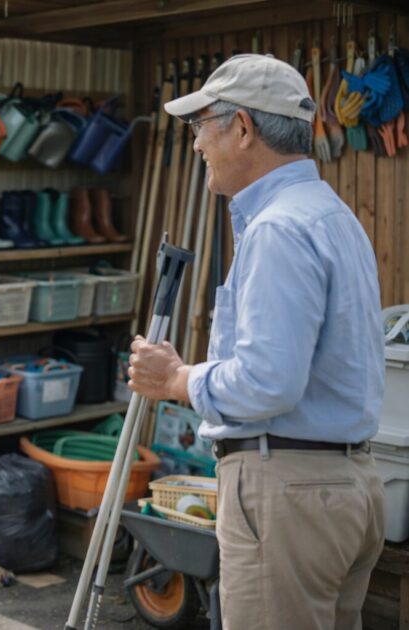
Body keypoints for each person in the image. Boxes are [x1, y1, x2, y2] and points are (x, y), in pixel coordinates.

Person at [127, 54, 385, 629]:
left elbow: (269, 380)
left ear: (242, 129)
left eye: (201, 127)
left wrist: (177, 378)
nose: (196, 146)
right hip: (347, 487)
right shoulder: (334, 216)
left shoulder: (278, 229)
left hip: (289, 494)